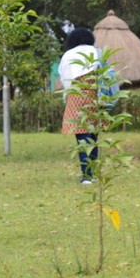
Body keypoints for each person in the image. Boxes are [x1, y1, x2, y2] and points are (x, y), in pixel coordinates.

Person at [58, 27, 101, 184]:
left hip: (76, 95)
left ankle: (86, 175)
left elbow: (64, 77)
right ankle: (94, 173)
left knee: (82, 136)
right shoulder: (97, 52)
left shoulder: (68, 55)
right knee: (94, 136)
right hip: (94, 96)